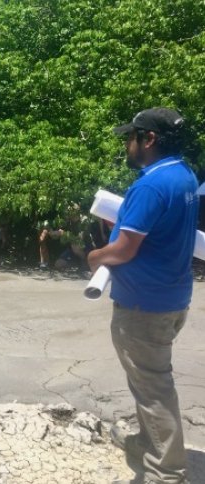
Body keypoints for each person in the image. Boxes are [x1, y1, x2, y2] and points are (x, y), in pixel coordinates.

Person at [87, 107, 196, 484]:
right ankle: (148, 442)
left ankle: (166, 472)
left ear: (148, 139)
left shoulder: (150, 185)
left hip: (143, 305)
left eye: (130, 137)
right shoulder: (183, 174)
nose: (127, 145)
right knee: (147, 380)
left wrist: (94, 256)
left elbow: (122, 250)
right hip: (172, 297)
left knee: (153, 387)